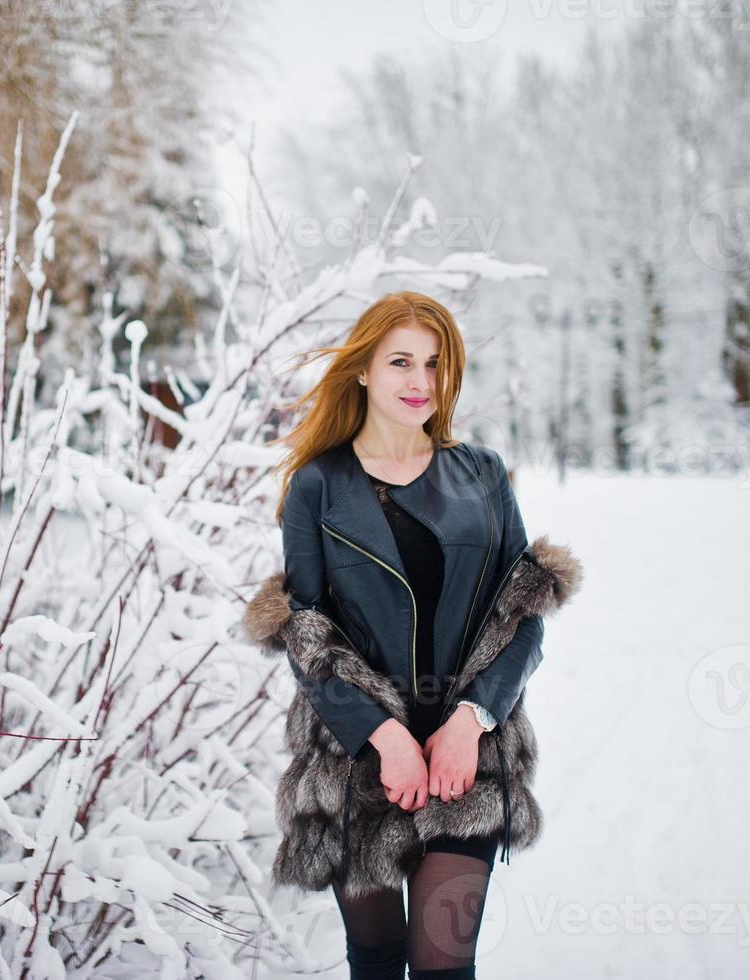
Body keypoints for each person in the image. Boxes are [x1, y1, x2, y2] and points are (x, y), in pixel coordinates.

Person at [245, 291, 583, 979]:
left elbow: (523, 619)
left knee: (443, 967)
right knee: (375, 963)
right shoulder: (319, 485)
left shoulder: (482, 475)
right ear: (363, 369)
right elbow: (306, 637)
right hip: (354, 760)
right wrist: (385, 737)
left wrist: (470, 720)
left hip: (470, 760)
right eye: (401, 362)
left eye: (434, 365)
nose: (420, 382)